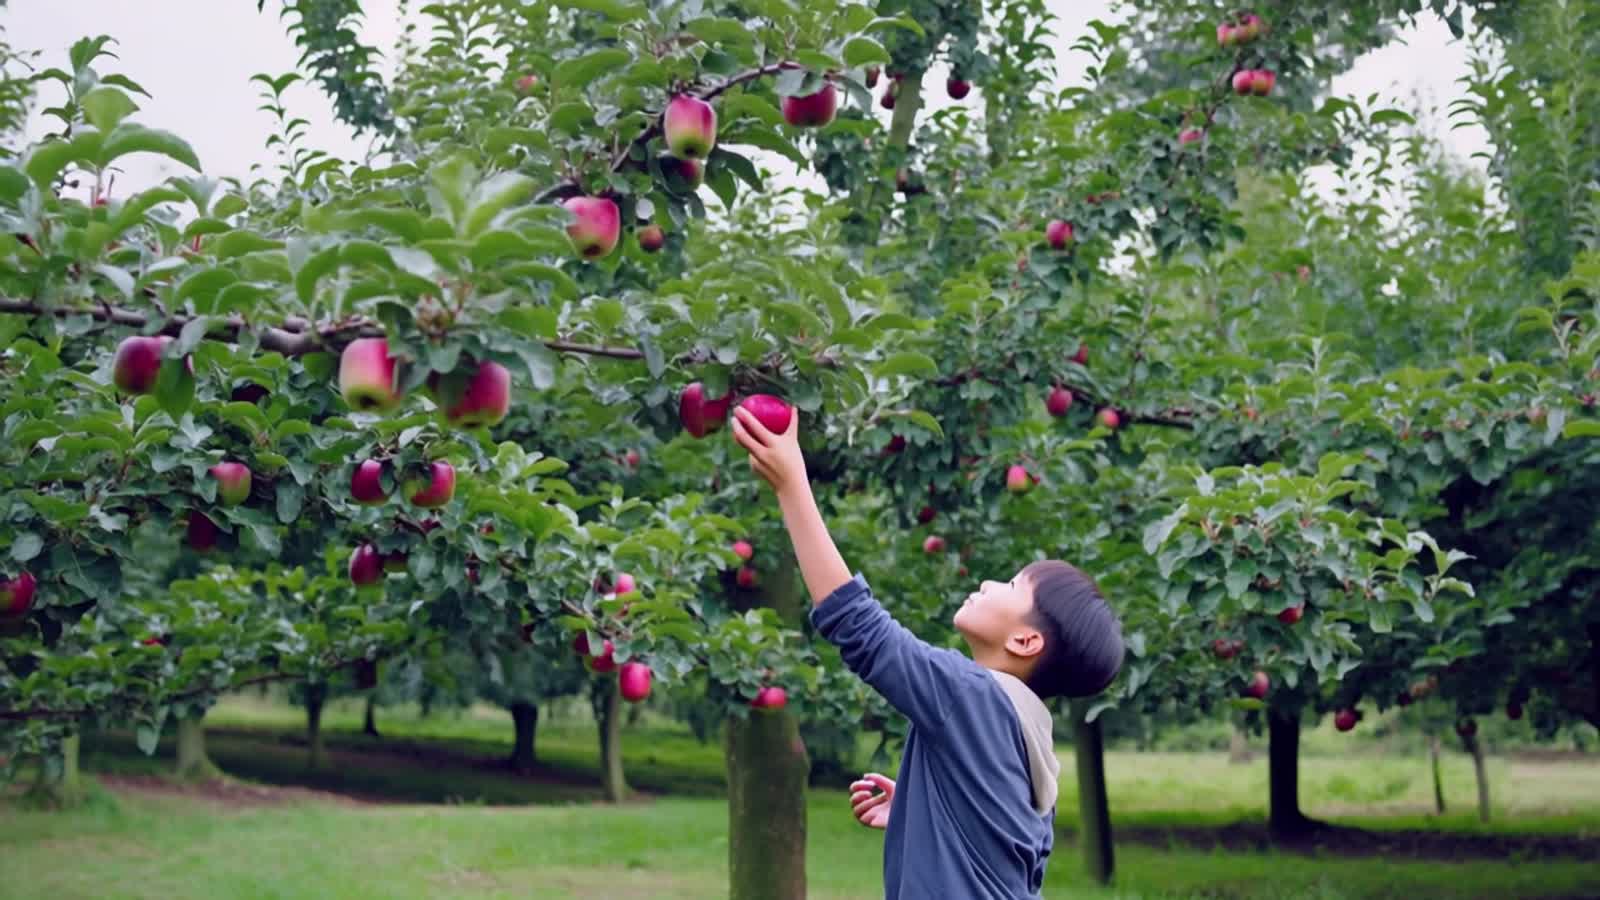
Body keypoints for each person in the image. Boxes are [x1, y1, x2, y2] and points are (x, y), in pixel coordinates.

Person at [730, 404, 1125, 899]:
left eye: (1012, 584)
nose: (987, 582)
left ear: (1025, 641)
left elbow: (862, 630)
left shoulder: (972, 695)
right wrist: (928, 808)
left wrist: (791, 484)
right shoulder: (1029, 737)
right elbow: (1019, 869)